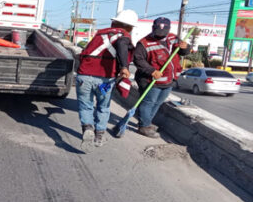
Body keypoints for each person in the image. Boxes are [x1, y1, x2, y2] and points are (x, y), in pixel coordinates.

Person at [75, 10, 138, 151]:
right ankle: (99, 136)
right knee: (103, 107)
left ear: (114, 22)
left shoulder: (100, 33)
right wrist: (124, 67)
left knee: (85, 106)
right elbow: (121, 44)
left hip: (84, 75)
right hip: (104, 79)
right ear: (130, 27)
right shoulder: (124, 36)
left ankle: (87, 128)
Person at [133, 17, 190, 138]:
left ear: (168, 29)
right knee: (148, 102)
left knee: (158, 103)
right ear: (153, 28)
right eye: (157, 31)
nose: (160, 34)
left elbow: (183, 52)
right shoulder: (144, 43)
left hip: (168, 80)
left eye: (163, 32)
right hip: (151, 80)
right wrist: (152, 71)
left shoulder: (173, 38)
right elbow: (138, 60)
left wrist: (185, 48)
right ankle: (143, 126)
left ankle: (147, 122)